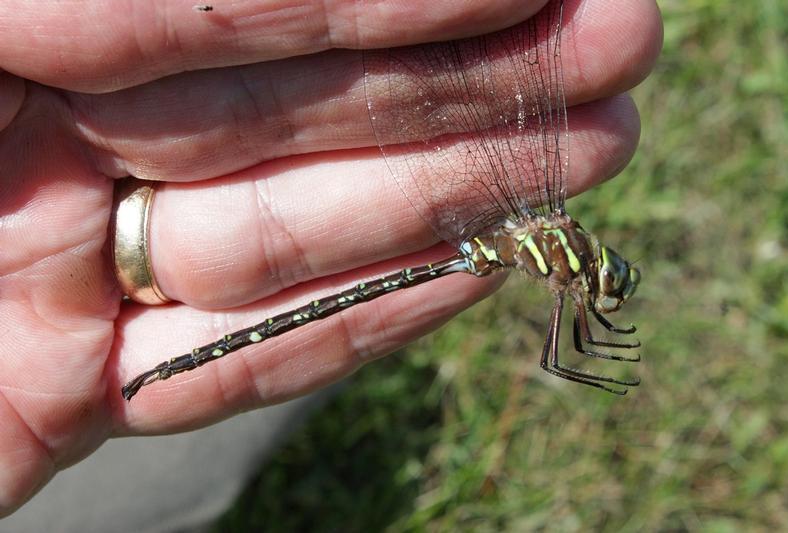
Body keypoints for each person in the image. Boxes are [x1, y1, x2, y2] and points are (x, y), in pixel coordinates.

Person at [0, 0, 662, 529]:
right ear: (587, 269)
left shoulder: (549, 234)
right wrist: (605, 357)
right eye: (609, 280)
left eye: (610, 282)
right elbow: (559, 358)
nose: (605, 286)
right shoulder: (557, 257)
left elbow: (560, 353)